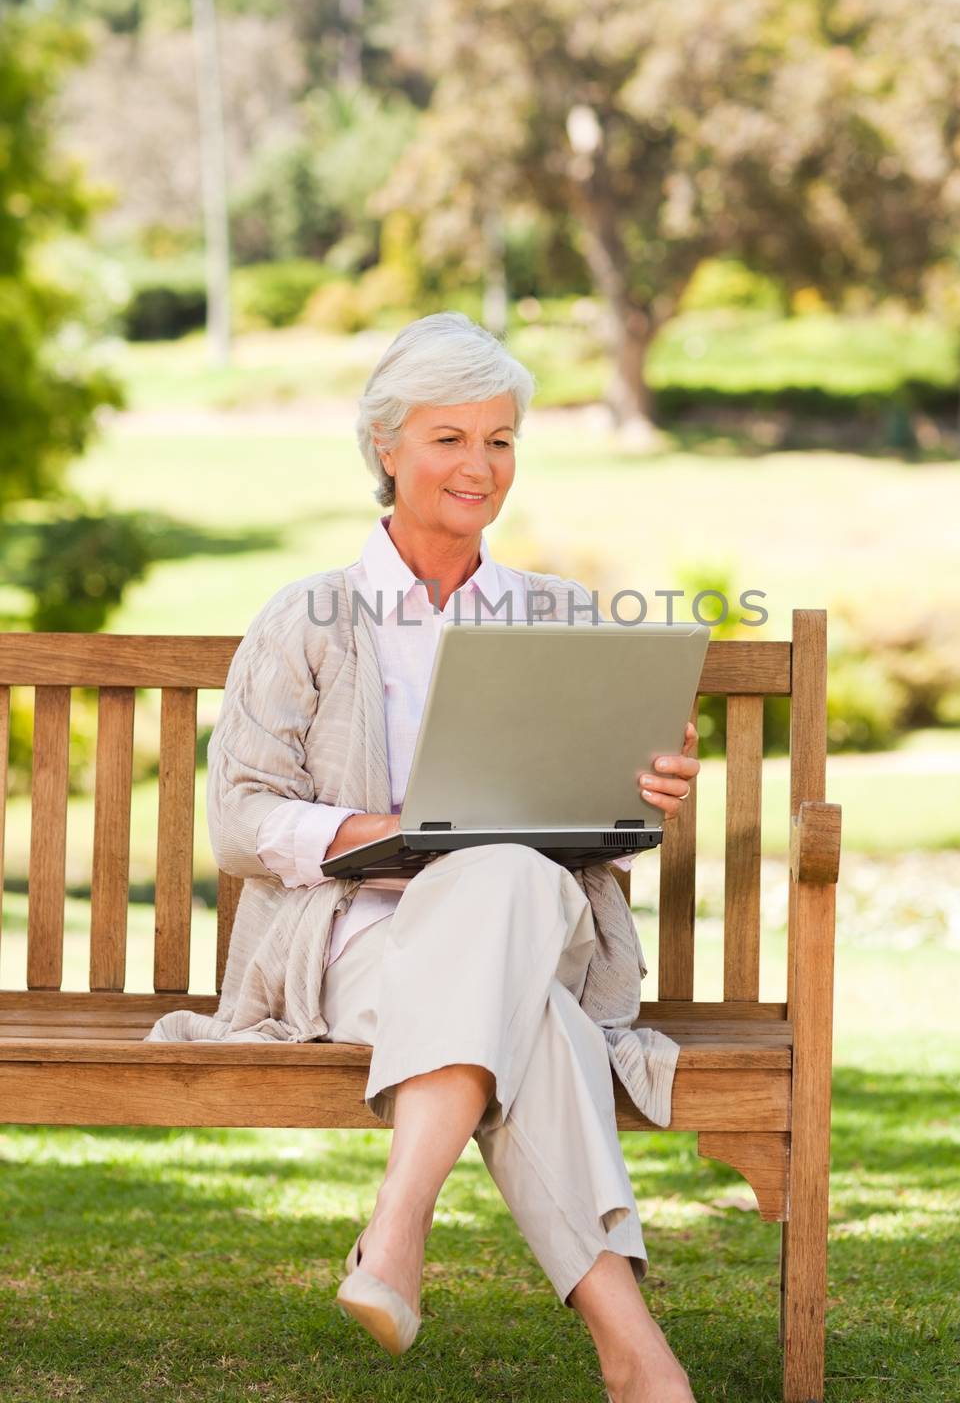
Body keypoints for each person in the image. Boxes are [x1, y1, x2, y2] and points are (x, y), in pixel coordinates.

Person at [162, 311, 700, 1403]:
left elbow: (607, 824)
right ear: (386, 448)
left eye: (498, 439)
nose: (479, 465)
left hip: (520, 924)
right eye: (448, 438)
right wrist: (391, 833)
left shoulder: (560, 616)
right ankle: (632, 1355)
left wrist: (646, 792)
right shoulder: (307, 616)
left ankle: (395, 1230)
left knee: (501, 873)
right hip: (364, 940)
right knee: (528, 1008)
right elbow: (240, 818)